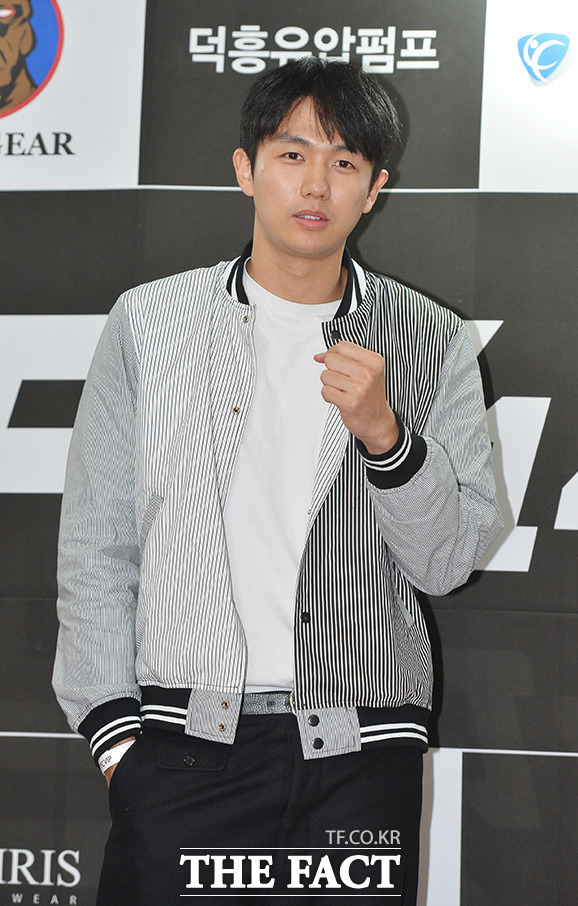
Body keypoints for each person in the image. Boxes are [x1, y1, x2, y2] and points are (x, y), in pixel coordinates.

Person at [53, 58, 503, 904]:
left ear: (374, 189)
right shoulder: (149, 322)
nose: (316, 184)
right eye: (293, 154)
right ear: (245, 168)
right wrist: (116, 739)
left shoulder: (432, 338)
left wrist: (387, 438)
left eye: (344, 162)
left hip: (362, 758)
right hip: (181, 750)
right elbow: (96, 546)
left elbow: (446, 563)